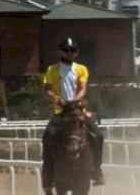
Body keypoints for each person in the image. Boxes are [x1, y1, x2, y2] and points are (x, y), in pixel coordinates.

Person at [42, 37, 105, 185]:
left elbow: (83, 88)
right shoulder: (52, 70)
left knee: (98, 135)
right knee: (47, 137)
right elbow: (48, 90)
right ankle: (48, 173)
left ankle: (97, 170)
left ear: (76, 53)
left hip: (77, 110)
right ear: (61, 52)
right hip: (60, 111)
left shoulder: (81, 69)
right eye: (66, 50)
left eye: (72, 50)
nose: (69, 53)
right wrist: (57, 99)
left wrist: (74, 100)